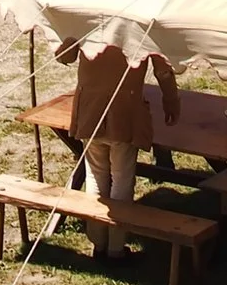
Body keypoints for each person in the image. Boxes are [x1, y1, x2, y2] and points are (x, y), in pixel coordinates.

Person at [56, 41, 180, 259]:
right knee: (120, 178)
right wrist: (171, 101)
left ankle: (99, 243)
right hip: (124, 113)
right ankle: (115, 250)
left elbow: (64, 56)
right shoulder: (140, 22)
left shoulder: (88, 18)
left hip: (90, 111)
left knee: (96, 175)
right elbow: (163, 70)